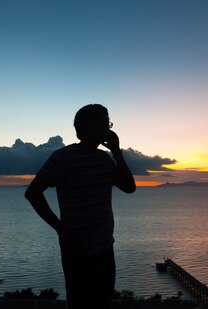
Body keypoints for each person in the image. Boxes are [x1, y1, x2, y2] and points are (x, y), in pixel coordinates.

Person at [25, 104, 136, 309]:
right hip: (75, 249)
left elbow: (129, 187)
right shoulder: (63, 158)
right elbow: (32, 193)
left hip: (104, 247)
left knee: (102, 302)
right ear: (82, 128)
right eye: (102, 123)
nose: (107, 129)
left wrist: (117, 152)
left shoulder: (105, 159)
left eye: (108, 123)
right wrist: (60, 228)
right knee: (79, 303)